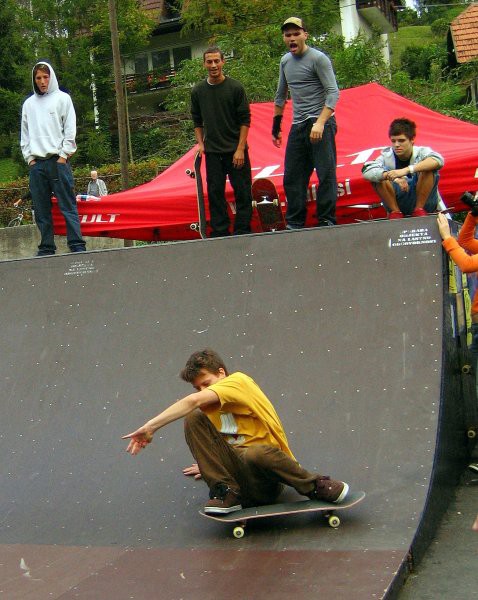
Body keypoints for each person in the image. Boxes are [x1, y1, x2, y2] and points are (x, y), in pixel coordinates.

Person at [123, 348, 350, 514]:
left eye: (207, 383)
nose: (203, 391)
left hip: (269, 479)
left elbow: (192, 401)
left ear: (221, 373)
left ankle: (315, 485)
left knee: (254, 452)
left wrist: (150, 427)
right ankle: (226, 492)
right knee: (195, 417)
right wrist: (212, 465)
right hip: (243, 483)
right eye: (198, 388)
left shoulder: (238, 382)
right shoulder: (214, 408)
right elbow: (217, 434)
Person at [273, 17, 339, 229]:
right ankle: (294, 222)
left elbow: (333, 93)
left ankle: (326, 220)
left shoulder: (318, 59)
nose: (292, 38)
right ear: (284, 38)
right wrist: (276, 125)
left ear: (305, 35)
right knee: (292, 176)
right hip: (299, 124)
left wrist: (320, 123)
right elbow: (281, 95)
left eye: (295, 34)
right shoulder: (285, 61)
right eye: (288, 35)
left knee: (326, 173)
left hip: (322, 121)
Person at [20, 61, 86, 256]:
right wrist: (30, 159)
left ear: (52, 77)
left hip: (58, 161)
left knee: (67, 205)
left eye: (45, 77)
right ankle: (47, 247)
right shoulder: (28, 104)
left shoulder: (62, 99)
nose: (42, 81)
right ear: (34, 79)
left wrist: (64, 156)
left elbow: (70, 129)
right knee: (41, 210)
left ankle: (76, 244)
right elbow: (25, 135)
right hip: (37, 165)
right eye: (38, 78)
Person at [190, 47, 252, 237]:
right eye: (209, 62)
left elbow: (245, 120)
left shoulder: (235, 88)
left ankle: (242, 231)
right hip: (213, 152)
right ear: (204, 64)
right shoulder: (198, 90)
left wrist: (240, 149)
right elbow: (196, 120)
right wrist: (201, 144)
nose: (213, 65)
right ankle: (220, 233)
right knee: (215, 193)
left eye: (217, 61)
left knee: (242, 192)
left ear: (223, 62)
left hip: (236, 150)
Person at [362, 118, 444, 219]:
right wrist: (392, 176)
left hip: (426, 205)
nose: (396, 145)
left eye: (401, 140)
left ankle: (419, 209)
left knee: (428, 168)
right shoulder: (385, 156)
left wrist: (406, 170)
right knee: (377, 177)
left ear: (412, 139)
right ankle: (395, 212)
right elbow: (367, 170)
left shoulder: (422, 151)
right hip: (398, 203)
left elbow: (438, 160)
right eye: (393, 141)